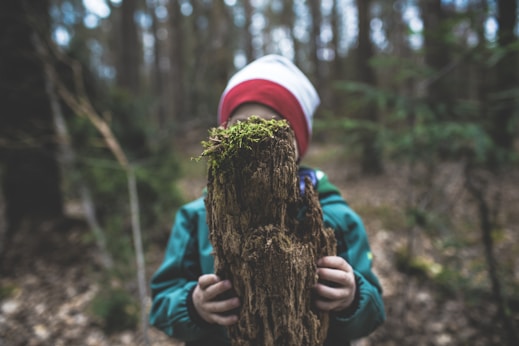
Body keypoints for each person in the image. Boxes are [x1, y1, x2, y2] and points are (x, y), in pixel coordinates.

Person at [149, 54, 386, 345]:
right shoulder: (197, 218)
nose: (258, 139)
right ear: (223, 137)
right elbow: (161, 303)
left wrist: (352, 297)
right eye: (242, 127)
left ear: (298, 144)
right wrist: (193, 306)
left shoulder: (336, 217)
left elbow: (374, 311)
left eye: (275, 128)